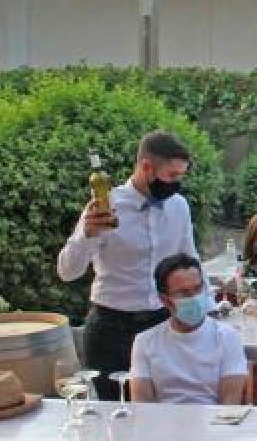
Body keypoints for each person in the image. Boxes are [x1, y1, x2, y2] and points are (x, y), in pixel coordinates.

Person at [57, 131, 197, 401]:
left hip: (161, 323)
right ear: (146, 167)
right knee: (117, 417)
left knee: (165, 410)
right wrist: (87, 235)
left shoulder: (178, 206)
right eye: (171, 176)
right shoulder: (105, 206)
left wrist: (200, 310)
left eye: (181, 176)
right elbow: (67, 271)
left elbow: (190, 261)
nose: (176, 183)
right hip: (110, 327)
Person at [130, 253, 248, 405]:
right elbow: (141, 406)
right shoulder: (145, 342)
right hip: (163, 425)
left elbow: (229, 404)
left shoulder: (227, 337)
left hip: (213, 424)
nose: (194, 297)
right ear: (165, 300)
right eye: (184, 292)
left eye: (198, 289)